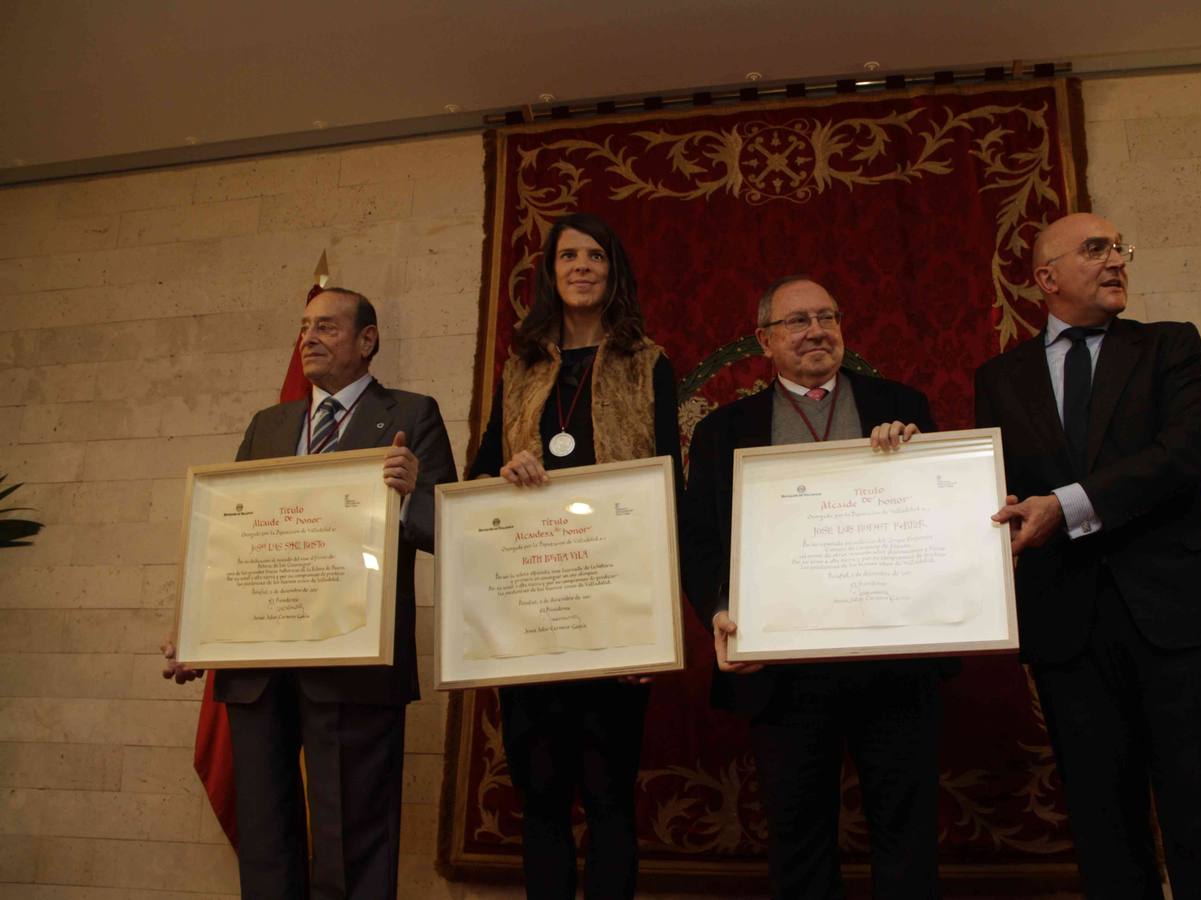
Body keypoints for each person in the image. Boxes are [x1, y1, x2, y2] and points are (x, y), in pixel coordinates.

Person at [974, 213, 1201, 899]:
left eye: (1120, 248)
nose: (1116, 260)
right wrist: (912, 463)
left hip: (1180, 617)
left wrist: (1065, 505)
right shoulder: (999, 377)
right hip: (1068, 627)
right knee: (1104, 830)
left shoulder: (1167, 347)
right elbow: (990, 484)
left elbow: (1188, 454)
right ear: (1046, 278)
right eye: (1095, 249)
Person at [162, 287, 457, 899]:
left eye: (327, 326)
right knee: (266, 846)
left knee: (352, 851)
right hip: (258, 667)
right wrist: (191, 625)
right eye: (304, 328)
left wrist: (407, 495)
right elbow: (229, 538)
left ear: (367, 341)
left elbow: (449, 527)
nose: (310, 338)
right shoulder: (267, 424)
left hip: (354, 664)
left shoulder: (410, 414)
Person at [681, 275, 945, 899]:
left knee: (907, 840)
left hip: (893, 663)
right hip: (783, 673)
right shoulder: (722, 432)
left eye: (827, 317)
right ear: (764, 341)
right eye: (798, 321)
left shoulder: (902, 407)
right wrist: (723, 609)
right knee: (798, 843)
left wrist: (917, 460)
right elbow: (699, 541)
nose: (817, 331)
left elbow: (941, 513)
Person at [467, 212, 682, 899]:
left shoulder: (649, 362)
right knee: (543, 800)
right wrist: (504, 476)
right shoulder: (521, 366)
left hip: (616, 608)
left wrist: (659, 622)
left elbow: (669, 486)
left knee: (611, 798)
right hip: (532, 615)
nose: (581, 266)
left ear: (612, 270)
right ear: (550, 274)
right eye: (568, 256)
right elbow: (476, 482)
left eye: (594, 255)